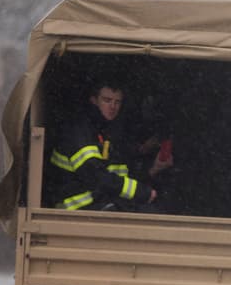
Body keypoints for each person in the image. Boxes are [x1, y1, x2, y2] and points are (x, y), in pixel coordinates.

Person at [48, 82, 167, 211]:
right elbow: (96, 176)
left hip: (103, 203)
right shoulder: (79, 130)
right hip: (76, 211)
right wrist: (141, 192)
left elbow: (118, 175)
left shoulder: (109, 132)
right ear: (94, 101)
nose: (112, 107)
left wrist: (153, 170)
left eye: (117, 102)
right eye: (107, 100)